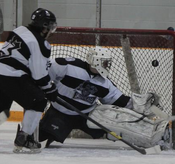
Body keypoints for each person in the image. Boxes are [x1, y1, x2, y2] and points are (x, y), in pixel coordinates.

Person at [0, 8, 58, 154]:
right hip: (11, 75)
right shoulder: (40, 43)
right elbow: (39, 74)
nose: (51, 31)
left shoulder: (20, 30)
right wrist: (49, 89)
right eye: (50, 26)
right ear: (44, 26)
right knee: (39, 101)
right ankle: (25, 138)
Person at [39, 46, 168, 149]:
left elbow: (119, 100)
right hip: (60, 112)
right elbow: (41, 74)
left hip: (86, 114)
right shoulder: (67, 66)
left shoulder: (105, 83)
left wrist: (143, 106)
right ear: (96, 61)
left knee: (116, 119)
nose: (107, 66)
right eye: (105, 63)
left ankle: (154, 137)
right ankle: (29, 134)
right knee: (41, 138)